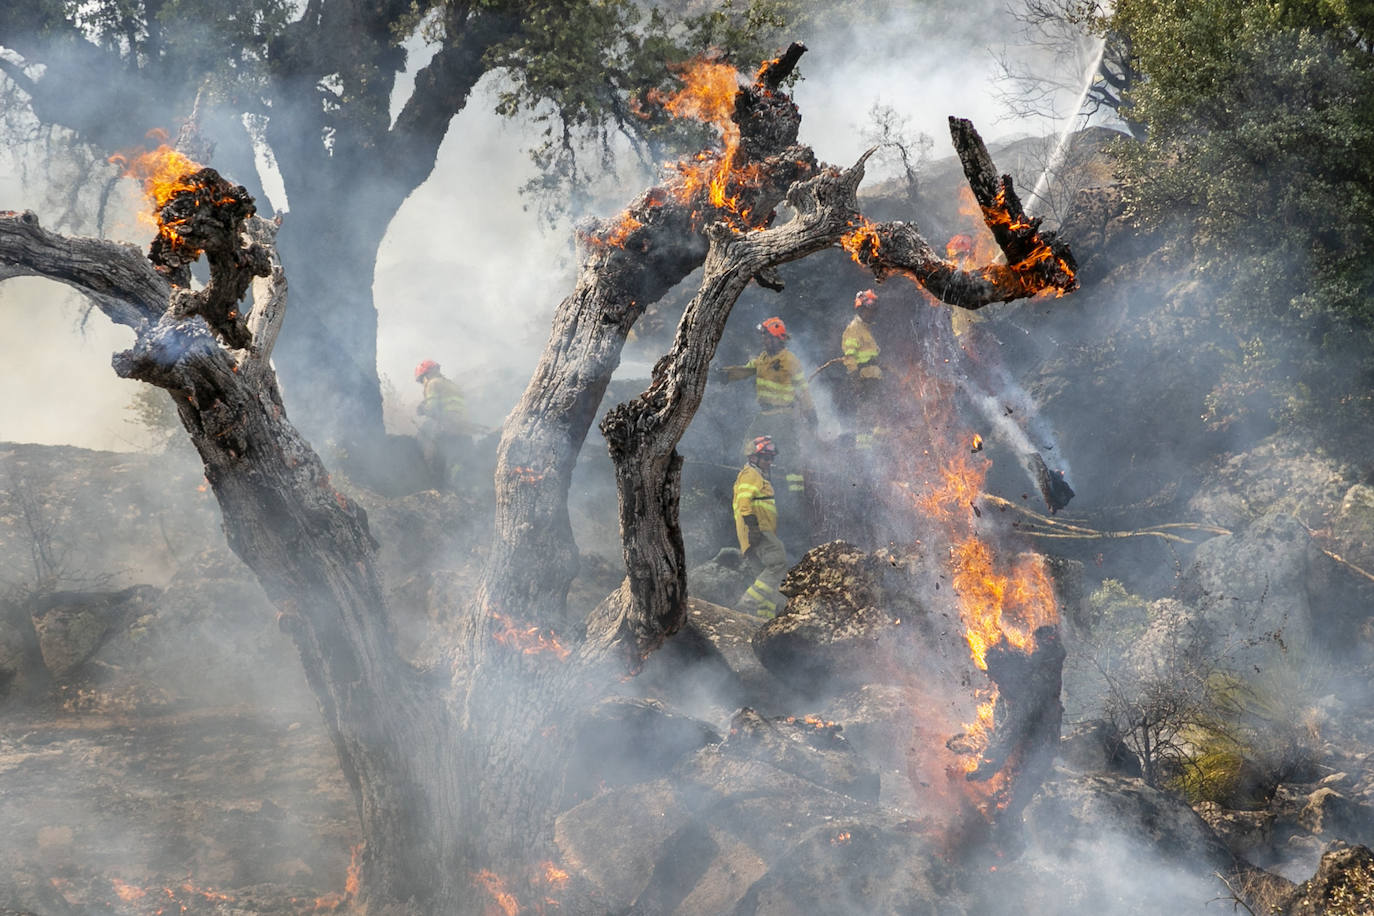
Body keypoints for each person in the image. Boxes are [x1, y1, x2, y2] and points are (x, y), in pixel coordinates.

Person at [717, 317, 816, 499]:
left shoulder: (790, 361)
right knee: (749, 449)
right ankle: (754, 489)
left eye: (768, 336)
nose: (764, 340)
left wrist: (811, 413)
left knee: (790, 458)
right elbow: (746, 370)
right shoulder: (762, 359)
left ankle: (798, 498)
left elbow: (803, 390)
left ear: (779, 338)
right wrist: (725, 374)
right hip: (765, 415)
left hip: (784, 416)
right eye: (764, 336)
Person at [732, 436, 788, 618]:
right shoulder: (751, 474)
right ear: (753, 457)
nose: (770, 462)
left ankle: (764, 618)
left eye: (771, 458)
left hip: (757, 531)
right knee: (778, 564)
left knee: (766, 581)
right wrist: (754, 528)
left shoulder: (758, 475)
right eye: (766, 458)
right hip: (758, 530)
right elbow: (744, 502)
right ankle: (745, 604)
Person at [414, 359, 471, 489]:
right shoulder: (452, 385)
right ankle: (463, 488)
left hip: (448, 425)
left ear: (426, 375)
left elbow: (432, 408)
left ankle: (439, 488)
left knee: (435, 456)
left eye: (422, 380)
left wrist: (422, 409)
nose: (423, 383)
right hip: (465, 428)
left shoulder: (432, 383)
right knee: (459, 461)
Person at [841, 289, 885, 449]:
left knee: (875, 415)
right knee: (866, 415)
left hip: (873, 379)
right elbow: (850, 358)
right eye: (869, 310)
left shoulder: (866, 329)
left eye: (874, 310)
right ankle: (864, 450)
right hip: (865, 379)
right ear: (860, 309)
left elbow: (869, 355)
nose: (872, 314)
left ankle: (876, 447)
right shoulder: (854, 329)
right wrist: (855, 380)